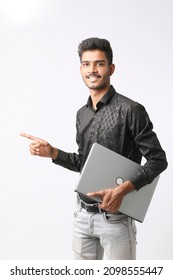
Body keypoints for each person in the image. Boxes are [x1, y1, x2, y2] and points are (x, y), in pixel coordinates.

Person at [20, 37, 168, 260]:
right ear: (80, 69)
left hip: (115, 218)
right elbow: (84, 162)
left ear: (111, 68)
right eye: (86, 64)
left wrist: (122, 191)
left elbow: (158, 160)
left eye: (99, 63)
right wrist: (53, 153)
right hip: (81, 215)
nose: (92, 70)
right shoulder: (82, 114)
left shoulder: (131, 110)